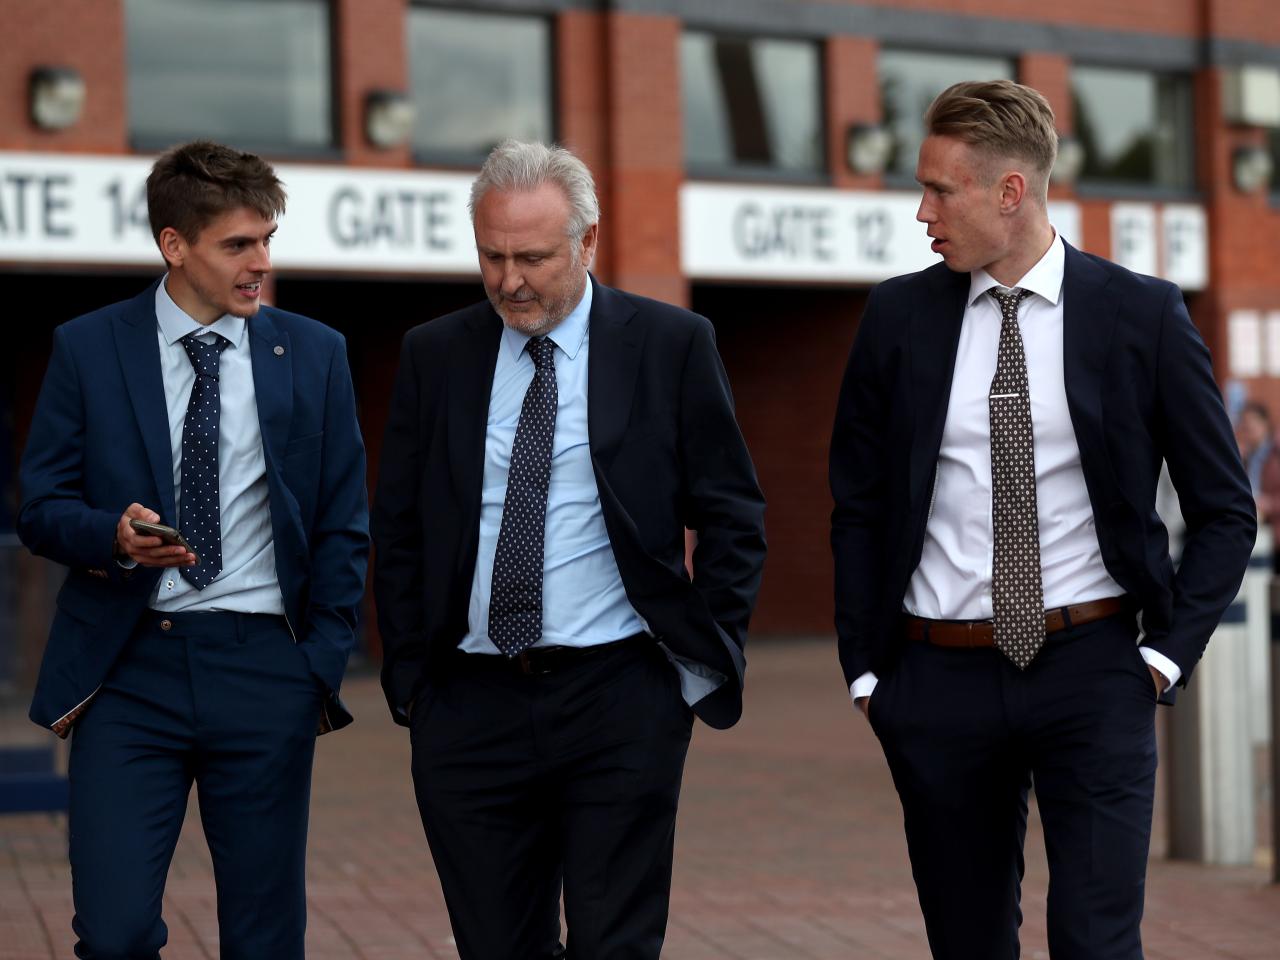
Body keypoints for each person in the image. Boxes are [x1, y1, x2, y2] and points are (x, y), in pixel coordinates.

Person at [829, 81, 1255, 960]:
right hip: (936, 676)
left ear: (1010, 192)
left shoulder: (1143, 316)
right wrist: (869, 675)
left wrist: (1162, 656)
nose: (922, 213)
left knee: (1097, 941)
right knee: (969, 940)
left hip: (1095, 672)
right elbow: (859, 506)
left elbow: (1224, 510)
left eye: (941, 190)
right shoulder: (896, 319)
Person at [372, 139, 766, 960]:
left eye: (534, 257)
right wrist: (416, 677)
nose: (509, 280)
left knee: (613, 943)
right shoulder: (435, 353)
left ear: (589, 243)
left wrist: (692, 668)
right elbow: (402, 524)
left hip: (619, 695)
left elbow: (733, 515)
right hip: (469, 704)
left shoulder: (670, 344)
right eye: (492, 256)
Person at [18, 140, 370, 958]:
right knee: (113, 932)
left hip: (264, 670)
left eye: (268, 240)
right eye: (238, 245)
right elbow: (40, 508)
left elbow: (343, 520)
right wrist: (111, 537)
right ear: (174, 244)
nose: (261, 264)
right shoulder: (89, 347)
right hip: (129, 670)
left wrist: (317, 661)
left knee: (264, 935)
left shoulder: (314, 352)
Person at [1236, 400, 1280, 522]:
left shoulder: (1276, 452)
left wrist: (1269, 504)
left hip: (1272, 522)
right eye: (1244, 424)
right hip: (1250, 515)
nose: (1248, 428)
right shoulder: (1245, 455)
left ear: (1265, 423)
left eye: (1253, 423)